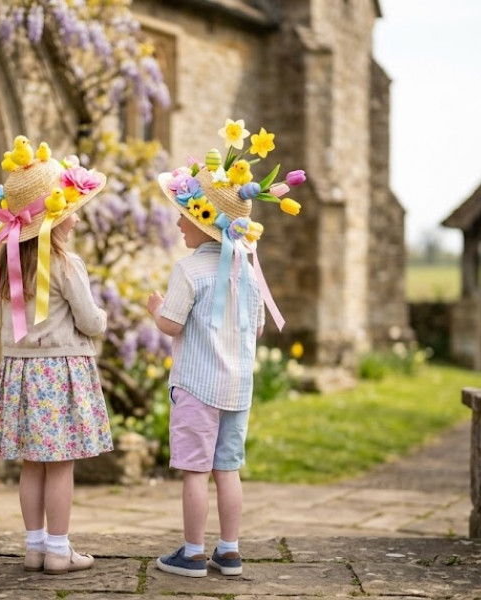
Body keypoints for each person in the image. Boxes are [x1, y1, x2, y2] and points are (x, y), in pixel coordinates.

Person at [146, 119, 300, 578]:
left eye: (185, 216)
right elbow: (253, 331)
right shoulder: (248, 274)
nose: (177, 222)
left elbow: (172, 323)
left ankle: (193, 552)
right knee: (227, 469)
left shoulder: (189, 271)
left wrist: (154, 309)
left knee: (194, 471)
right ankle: (229, 550)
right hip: (237, 389)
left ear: (203, 224)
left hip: (195, 385)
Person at [0, 138, 113, 575]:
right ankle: (58, 549)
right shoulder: (67, 264)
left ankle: (34, 547)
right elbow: (90, 322)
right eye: (71, 205)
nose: (76, 213)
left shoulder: (5, 261)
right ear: (57, 215)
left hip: (19, 370)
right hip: (61, 371)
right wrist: (104, 318)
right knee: (60, 465)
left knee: (31, 464)